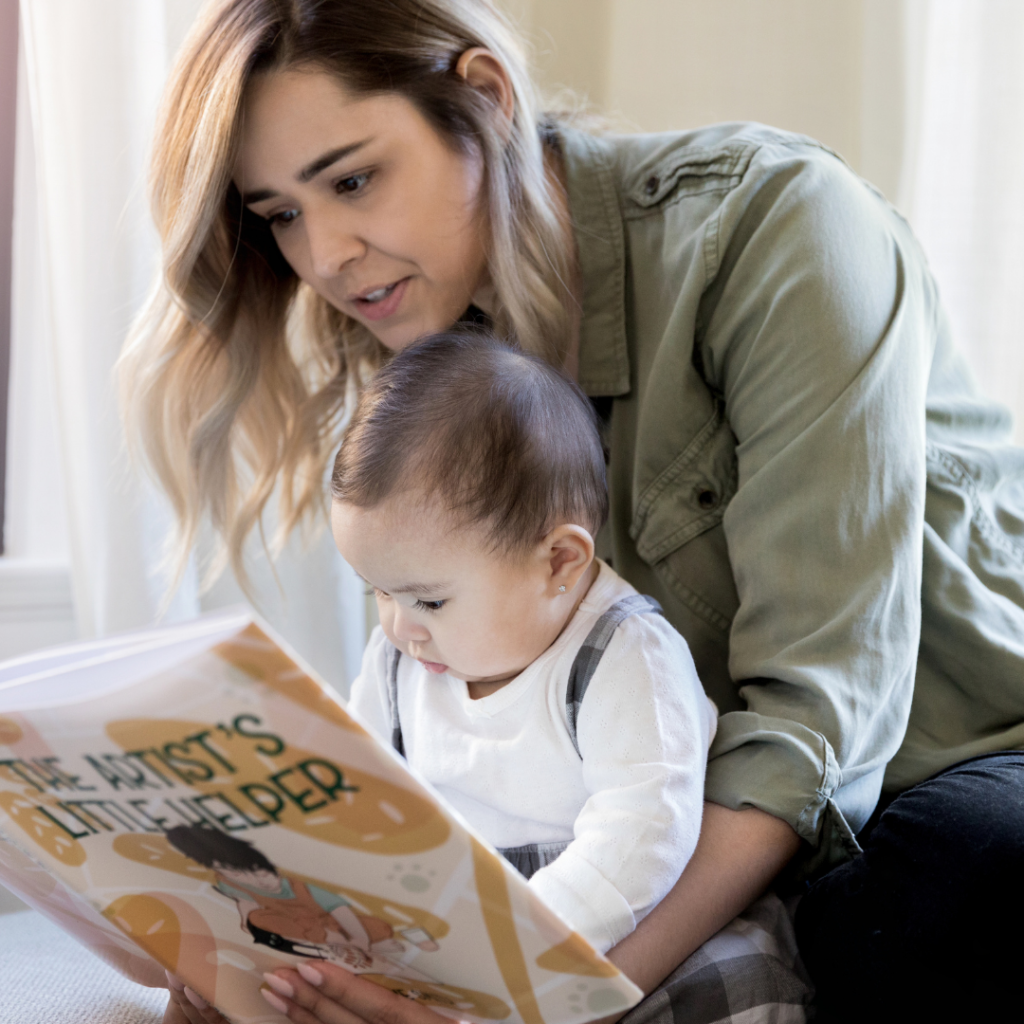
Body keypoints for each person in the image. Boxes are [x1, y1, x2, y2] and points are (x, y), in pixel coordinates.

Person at [119, 2, 1024, 1023]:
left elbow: (811, 734)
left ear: (486, 103)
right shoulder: (423, 357)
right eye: (279, 213)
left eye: (353, 179)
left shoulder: (776, 225)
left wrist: (542, 1005)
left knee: (927, 898)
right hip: (672, 811)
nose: (323, 255)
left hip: (941, 759)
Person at [334, 330, 717, 962]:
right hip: (459, 934)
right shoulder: (403, 657)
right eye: (376, 591)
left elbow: (646, 831)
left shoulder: (625, 658)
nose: (400, 627)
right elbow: (358, 792)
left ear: (559, 562)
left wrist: (518, 946)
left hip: (611, 932)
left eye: (428, 600)